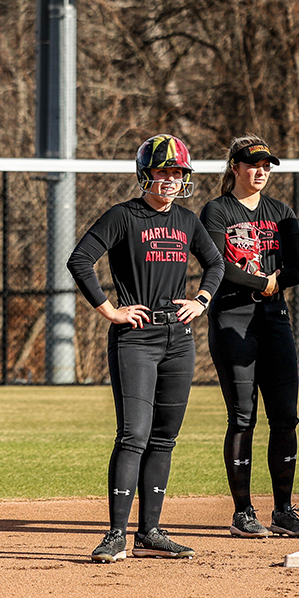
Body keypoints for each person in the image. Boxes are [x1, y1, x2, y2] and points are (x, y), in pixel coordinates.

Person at [69, 134, 225, 562]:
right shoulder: (123, 216)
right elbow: (80, 259)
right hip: (136, 338)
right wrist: (110, 311)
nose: (172, 180)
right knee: (133, 434)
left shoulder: (188, 221)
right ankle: (116, 534)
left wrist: (202, 301)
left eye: (178, 173)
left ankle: (150, 531)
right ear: (145, 175)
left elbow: (216, 263)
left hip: (179, 338)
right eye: (164, 172)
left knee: (164, 438)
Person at [200, 136, 299, 540]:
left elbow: (295, 270)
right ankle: (243, 512)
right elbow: (217, 264)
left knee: (285, 416)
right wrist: (261, 280)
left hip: (273, 318)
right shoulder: (217, 210)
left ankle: (283, 510)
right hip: (232, 315)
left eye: (266, 165)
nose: (260, 171)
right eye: (252, 164)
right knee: (243, 416)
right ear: (235, 167)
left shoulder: (281, 212)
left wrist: (272, 283)